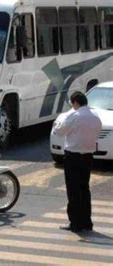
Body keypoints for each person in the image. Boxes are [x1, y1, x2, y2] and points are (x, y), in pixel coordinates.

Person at [53, 91, 102, 233]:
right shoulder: (95, 117)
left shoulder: (74, 115)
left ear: (75, 103)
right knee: (84, 189)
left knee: (73, 190)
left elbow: (59, 131)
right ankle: (87, 222)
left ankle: (75, 223)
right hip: (88, 156)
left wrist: (59, 121)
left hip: (73, 156)